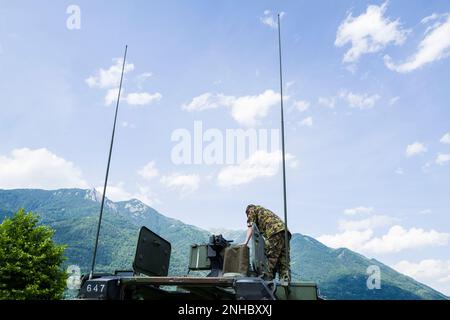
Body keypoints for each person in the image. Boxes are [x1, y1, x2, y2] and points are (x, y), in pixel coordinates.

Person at [243, 204, 291, 283]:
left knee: (266, 257)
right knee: (284, 261)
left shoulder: (251, 210)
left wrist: (245, 243)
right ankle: (285, 283)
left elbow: (250, 226)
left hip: (274, 232)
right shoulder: (263, 211)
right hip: (285, 232)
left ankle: (267, 281)